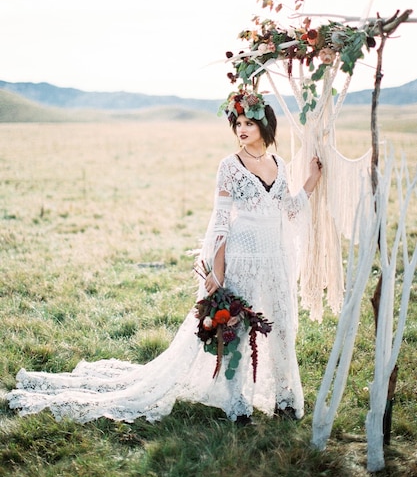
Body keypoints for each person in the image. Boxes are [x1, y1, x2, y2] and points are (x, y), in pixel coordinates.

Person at [7, 90, 321, 425]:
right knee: (238, 330)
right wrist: (216, 272)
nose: (241, 129)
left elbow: (287, 209)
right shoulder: (229, 166)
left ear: (264, 124)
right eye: (237, 123)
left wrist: (312, 180)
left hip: (275, 259)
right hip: (242, 258)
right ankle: (237, 403)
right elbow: (220, 220)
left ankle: (285, 399)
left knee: (282, 327)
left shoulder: (279, 164)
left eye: (248, 122)